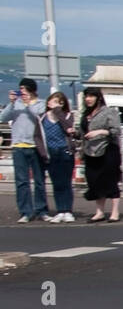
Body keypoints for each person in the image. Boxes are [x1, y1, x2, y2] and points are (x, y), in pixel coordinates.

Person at [1, 77, 51, 222]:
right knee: (21, 181)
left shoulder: (41, 104)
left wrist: (28, 104)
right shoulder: (16, 104)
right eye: (21, 89)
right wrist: (11, 103)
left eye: (25, 89)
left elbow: (39, 117)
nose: (22, 92)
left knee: (39, 180)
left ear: (32, 90)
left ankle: (41, 210)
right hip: (18, 146)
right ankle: (26, 212)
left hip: (35, 146)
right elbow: (3, 117)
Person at [78, 86, 122, 222]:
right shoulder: (85, 114)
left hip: (107, 149)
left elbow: (116, 130)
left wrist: (100, 132)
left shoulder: (109, 112)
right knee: (94, 180)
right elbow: (82, 133)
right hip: (90, 151)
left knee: (110, 179)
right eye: (86, 96)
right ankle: (99, 212)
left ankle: (115, 212)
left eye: (91, 96)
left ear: (98, 98)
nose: (88, 99)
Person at [41, 91, 76, 222]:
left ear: (61, 103)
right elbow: (38, 134)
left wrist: (58, 111)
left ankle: (68, 210)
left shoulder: (67, 115)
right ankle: (60, 210)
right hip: (51, 152)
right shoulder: (43, 117)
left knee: (66, 182)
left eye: (56, 101)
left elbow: (68, 127)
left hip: (65, 151)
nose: (52, 103)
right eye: (51, 101)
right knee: (56, 183)